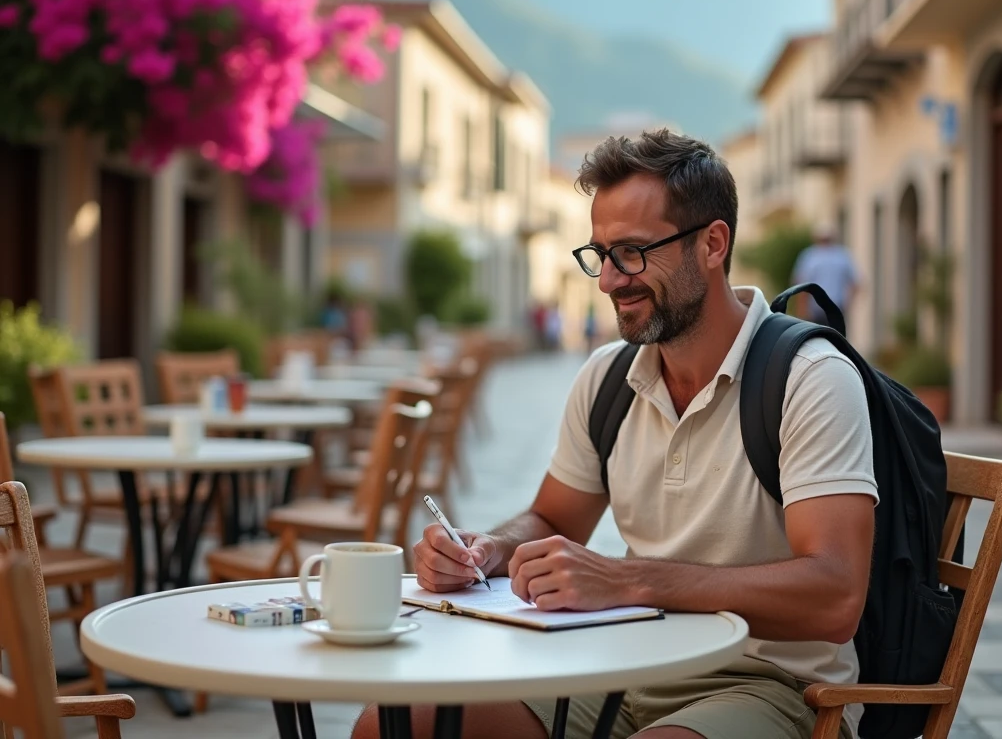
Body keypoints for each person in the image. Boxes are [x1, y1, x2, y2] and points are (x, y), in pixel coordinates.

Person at [352, 129, 876, 739]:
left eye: (631, 252)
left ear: (712, 244)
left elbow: (836, 597)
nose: (607, 280)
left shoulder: (809, 378)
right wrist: (491, 550)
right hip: (623, 665)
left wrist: (628, 581)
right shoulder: (608, 376)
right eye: (600, 254)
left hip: (769, 685)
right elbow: (553, 518)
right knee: (389, 725)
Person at [790, 222, 860, 328]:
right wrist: (847, 305)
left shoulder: (810, 256)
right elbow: (856, 284)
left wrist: (801, 312)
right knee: (836, 336)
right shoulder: (842, 255)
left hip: (816, 310)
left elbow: (801, 287)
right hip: (836, 309)